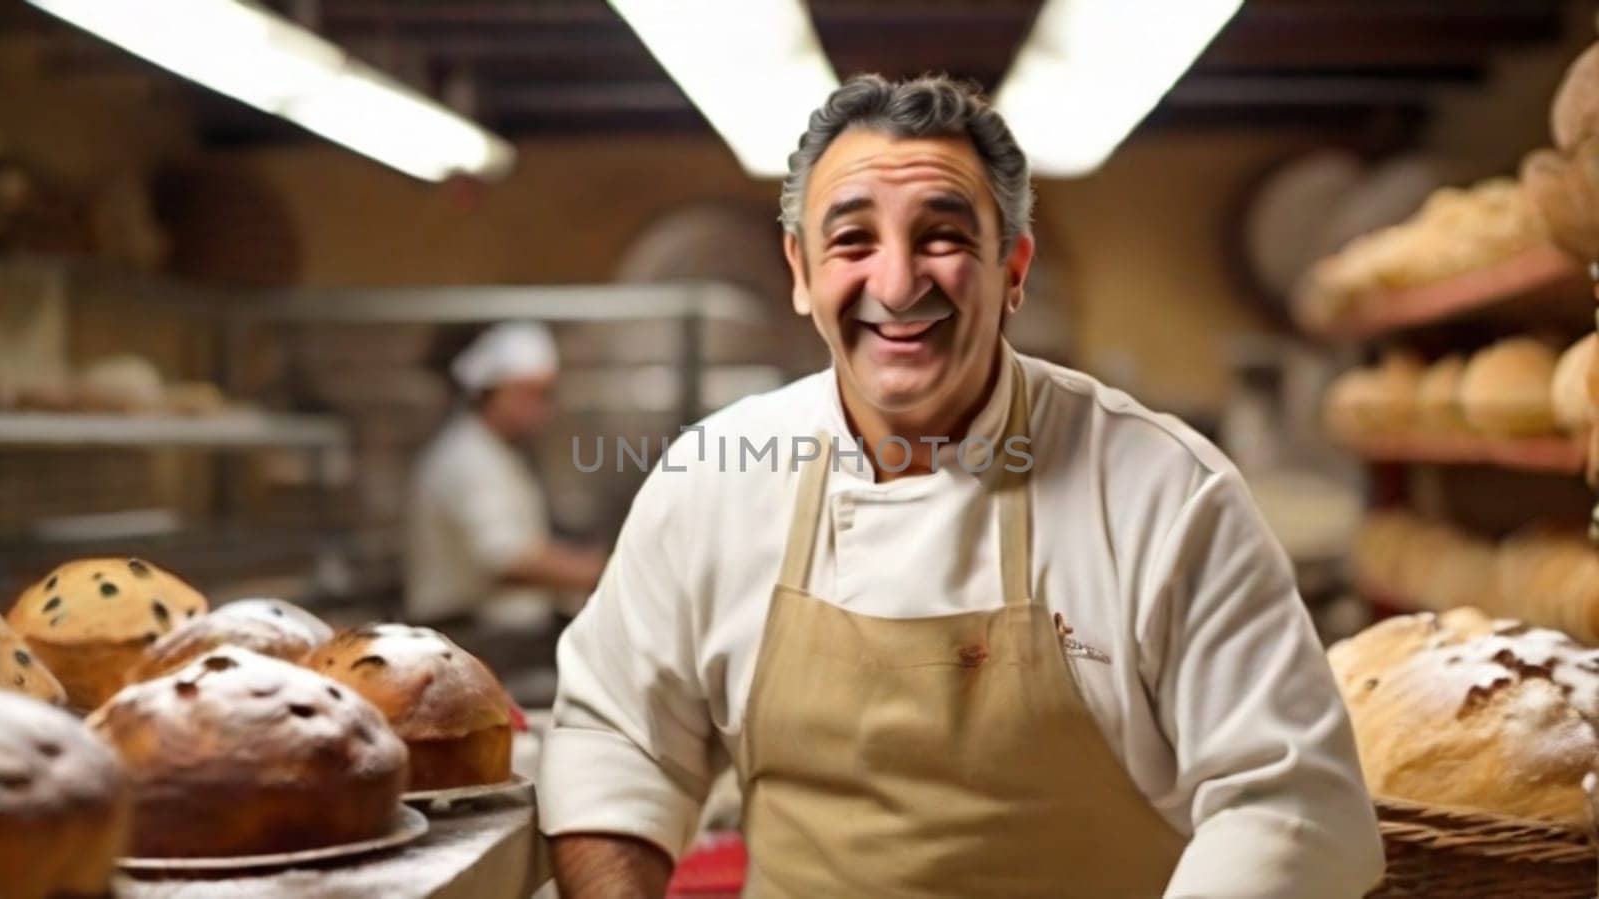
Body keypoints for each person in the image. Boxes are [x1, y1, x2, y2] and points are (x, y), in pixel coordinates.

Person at [539, 75, 1385, 897]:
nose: (899, 283)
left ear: (1013, 266)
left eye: (942, 235)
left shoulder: (1164, 492)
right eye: (852, 240)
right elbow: (620, 739)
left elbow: (1286, 803)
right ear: (800, 270)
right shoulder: (712, 480)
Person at [405, 322, 606, 657]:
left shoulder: (492, 450)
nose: (544, 408)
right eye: (532, 394)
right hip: (471, 637)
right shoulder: (469, 458)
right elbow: (508, 560)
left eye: (547, 394)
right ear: (492, 392)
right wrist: (599, 571)